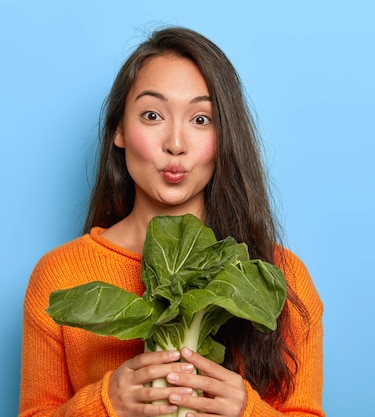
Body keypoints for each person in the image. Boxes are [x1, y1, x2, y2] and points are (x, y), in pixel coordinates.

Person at [19, 27, 324, 417]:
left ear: (225, 135)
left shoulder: (282, 277)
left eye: (200, 119)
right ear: (119, 130)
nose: (176, 143)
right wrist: (105, 404)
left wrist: (247, 412)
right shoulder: (59, 275)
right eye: (152, 115)